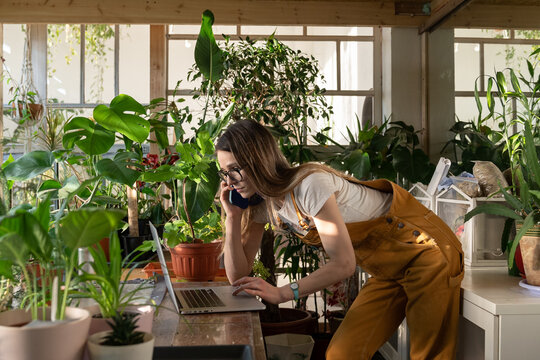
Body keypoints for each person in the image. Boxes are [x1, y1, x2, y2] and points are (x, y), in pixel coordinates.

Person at [216, 120, 464, 360]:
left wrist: (282, 293)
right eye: (224, 173)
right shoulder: (263, 205)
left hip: (428, 252)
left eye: (235, 170)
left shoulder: (309, 184)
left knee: (428, 355)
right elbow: (238, 277)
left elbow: (343, 264)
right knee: (342, 354)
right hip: (389, 270)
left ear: (258, 161)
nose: (229, 182)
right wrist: (233, 217)